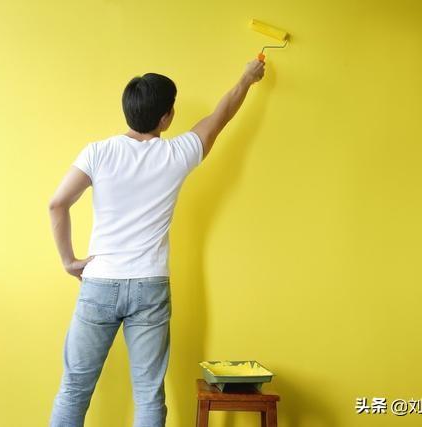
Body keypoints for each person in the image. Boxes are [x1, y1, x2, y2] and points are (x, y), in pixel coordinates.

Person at [47, 58, 265, 427]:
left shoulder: (97, 153)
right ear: (166, 118)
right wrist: (248, 77)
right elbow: (221, 115)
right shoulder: (177, 154)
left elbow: (57, 204)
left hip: (100, 281)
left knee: (74, 389)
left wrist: (69, 261)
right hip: (150, 285)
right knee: (149, 394)